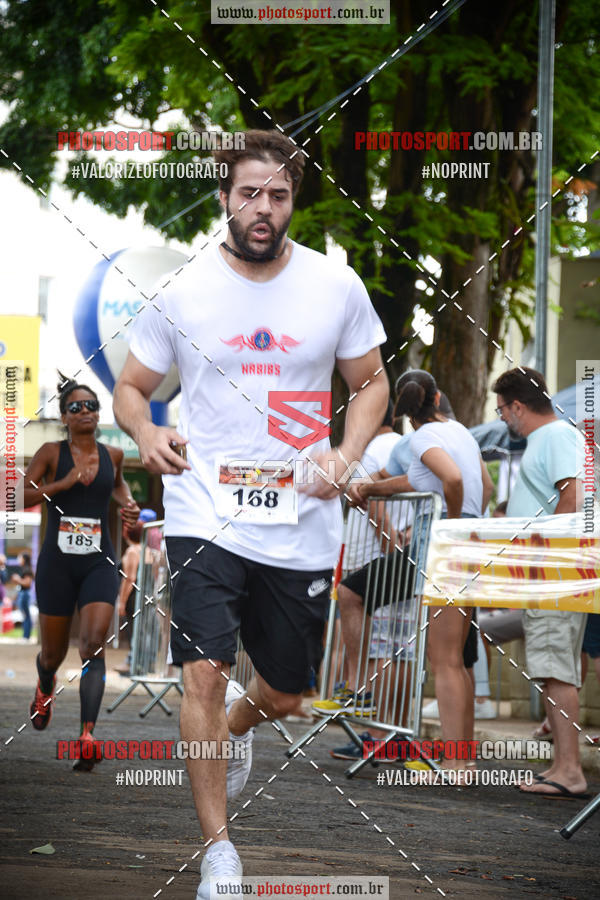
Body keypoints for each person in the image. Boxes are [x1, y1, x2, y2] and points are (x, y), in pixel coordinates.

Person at [112, 129, 389, 897]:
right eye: (248, 193)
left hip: (300, 525)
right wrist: (145, 430)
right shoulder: (184, 288)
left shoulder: (335, 286)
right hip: (206, 508)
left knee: (288, 694)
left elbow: (372, 383)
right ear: (224, 197)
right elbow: (131, 388)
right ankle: (220, 855)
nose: (262, 209)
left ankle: (242, 722)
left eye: (278, 195)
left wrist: (346, 453)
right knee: (201, 670)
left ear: (293, 200)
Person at [347, 370, 493, 779]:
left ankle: (452, 763)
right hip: (470, 542)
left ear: (406, 409)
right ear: (439, 396)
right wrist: (375, 490)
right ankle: (464, 760)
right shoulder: (460, 431)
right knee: (459, 661)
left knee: (443, 659)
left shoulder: (424, 438)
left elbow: (452, 479)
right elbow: (481, 483)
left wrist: (449, 520)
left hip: (445, 544)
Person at [20, 374, 140, 769]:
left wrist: (130, 504)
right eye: (76, 407)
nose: (85, 412)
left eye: (91, 406)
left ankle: (88, 736)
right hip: (57, 564)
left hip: (97, 563)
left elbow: (118, 486)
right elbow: (17, 494)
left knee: (92, 645)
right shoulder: (51, 452)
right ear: (63, 416)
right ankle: (45, 682)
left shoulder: (113, 455)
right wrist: (64, 483)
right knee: (53, 654)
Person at [492, 366, 588, 798]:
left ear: (517, 405)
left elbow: (573, 496)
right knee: (555, 671)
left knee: (555, 671)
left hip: (554, 572)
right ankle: (561, 766)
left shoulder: (554, 436)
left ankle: (569, 771)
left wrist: (547, 559)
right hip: (552, 571)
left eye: (501, 412)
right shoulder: (554, 437)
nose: (502, 420)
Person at [11, 552, 34, 641]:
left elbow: (27, 583)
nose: (18, 559)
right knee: (24, 616)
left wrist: (18, 579)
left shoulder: (27, 569)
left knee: (26, 616)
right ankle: (25, 635)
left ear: (24, 559)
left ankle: (26, 636)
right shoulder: (24, 569)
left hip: (25, 594)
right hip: (23, 594)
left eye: (19, 557)